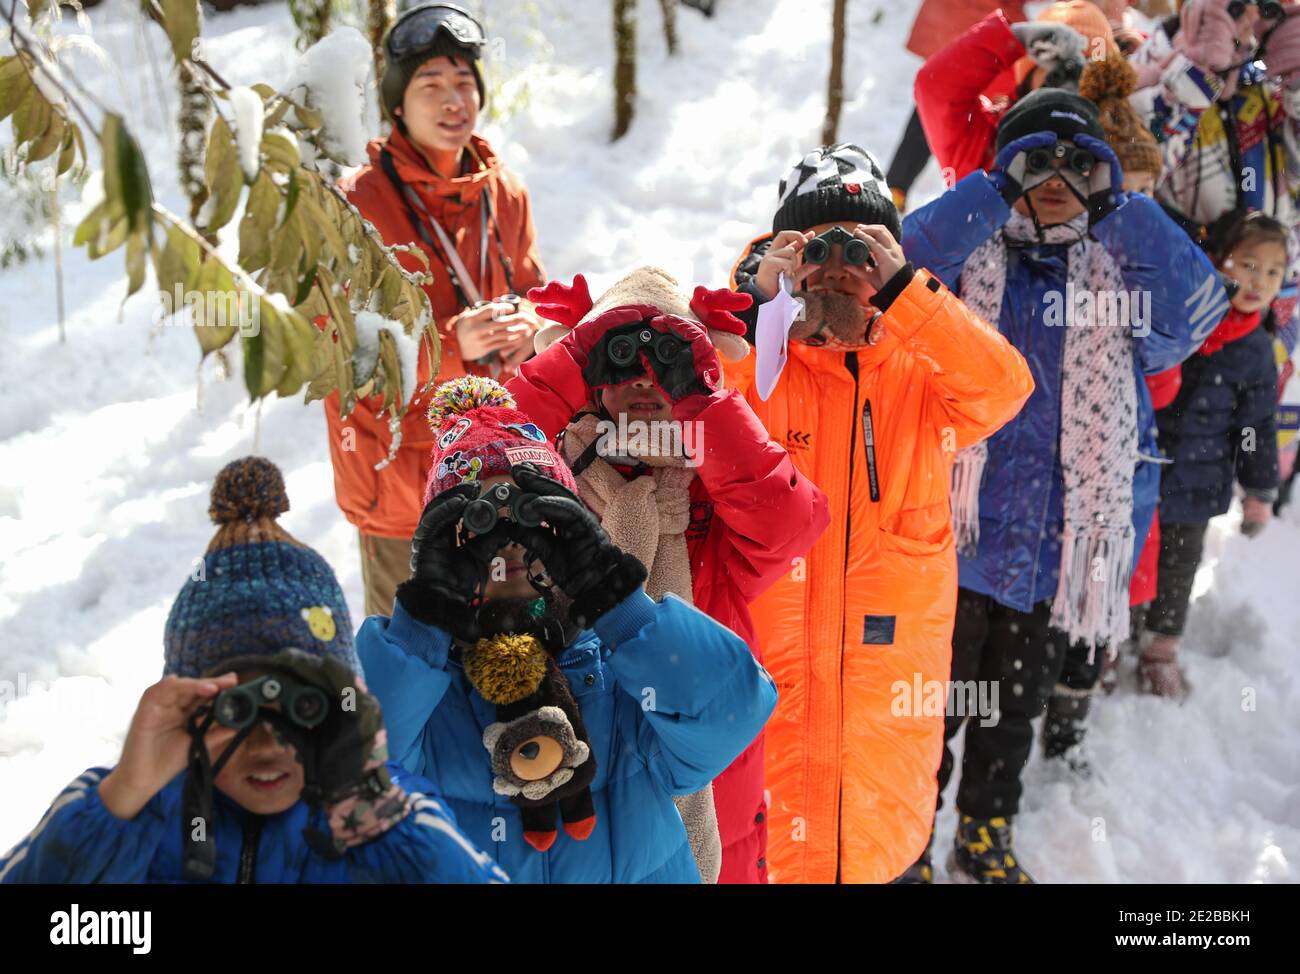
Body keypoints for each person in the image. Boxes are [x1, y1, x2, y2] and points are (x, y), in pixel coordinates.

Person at [901, 88, 1228, 882]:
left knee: (1013, 709)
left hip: (1051, 547)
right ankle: (909, 847)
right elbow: (903, 261)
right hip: (951, 542)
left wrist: (1122, 208)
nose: (1056, 177)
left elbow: (1197, 313)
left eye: (1079, 164)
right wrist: (990, 192)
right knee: (928, 713)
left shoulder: (1117, 267)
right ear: (999, 172)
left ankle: (984, 835)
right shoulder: (960, 265)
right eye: (1034, 159)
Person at [727, 144, 1034, 884]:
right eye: (815, 246)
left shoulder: (920, 365)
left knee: (879, 852)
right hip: (768, 677)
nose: (837, 264)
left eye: (860, 247)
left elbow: (1003, 389)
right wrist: (749, 304)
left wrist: (905, 290)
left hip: (887, 698)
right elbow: (692, 398)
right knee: (759, 850)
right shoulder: (749, 355)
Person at [354, 375, 779, 882]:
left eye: (533, 518)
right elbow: (350, 776)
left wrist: (611, 593)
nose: (509, 544)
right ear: (441, 539)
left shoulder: (620, 664)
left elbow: (733, 711)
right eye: (481, 521)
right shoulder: (424, 688)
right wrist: (424, 616)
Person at [0, 457, 504, 884]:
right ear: (189, 706)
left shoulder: (387, 814)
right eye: (234, 709)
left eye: (299, 707)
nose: (267, 744)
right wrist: (123, 798)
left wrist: (376, 814)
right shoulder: (133, 814)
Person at [503, 266, 829, 883]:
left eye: (666, 364)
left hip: (711, 782)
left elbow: (792, 522)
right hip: (577, 785)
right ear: (588, 384)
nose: (644, 379)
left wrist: (702, 398)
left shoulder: (717, 491)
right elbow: (482, 462)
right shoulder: (549, 480)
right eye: (619, 363)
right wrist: (574, 356)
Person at [324, 3, 547, 617]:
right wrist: (454, 345)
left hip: (506, 473)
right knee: (416, 681)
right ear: (397, 104)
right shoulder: (355, 207)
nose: (454, 100)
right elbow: (339, 353)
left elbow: (535, 291)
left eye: (464, 83)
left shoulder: (505, 192)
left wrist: (532, 323)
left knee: (515, 667)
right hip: (403, 490)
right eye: (431, 86)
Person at [1141, 212, 1284, 697]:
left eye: (1272, 272)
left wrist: (1260, 491)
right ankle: (1110, 640)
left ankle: (1161, 649)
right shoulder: (1185, 317)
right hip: (1145, 470)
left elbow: (1257, 427)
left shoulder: (1258, 350)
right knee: (1133, 561)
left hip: (1200, 485)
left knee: (1178, 570)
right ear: (1220, 260)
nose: (1258, 282)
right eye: (1248, 264)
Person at [914, 1, 1117, 184]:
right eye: (1060, 65)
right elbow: (936, 88)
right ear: (1028, 73)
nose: (1071, 83)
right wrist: (1015, 39)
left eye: (1088, 70)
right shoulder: (989, 138)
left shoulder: (1118, 147)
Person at [888, 0, 1029, 210]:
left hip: (959, 25)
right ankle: (973, 195)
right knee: (969, 111)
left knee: (941, 106)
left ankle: (898, 188)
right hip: (985, 33)